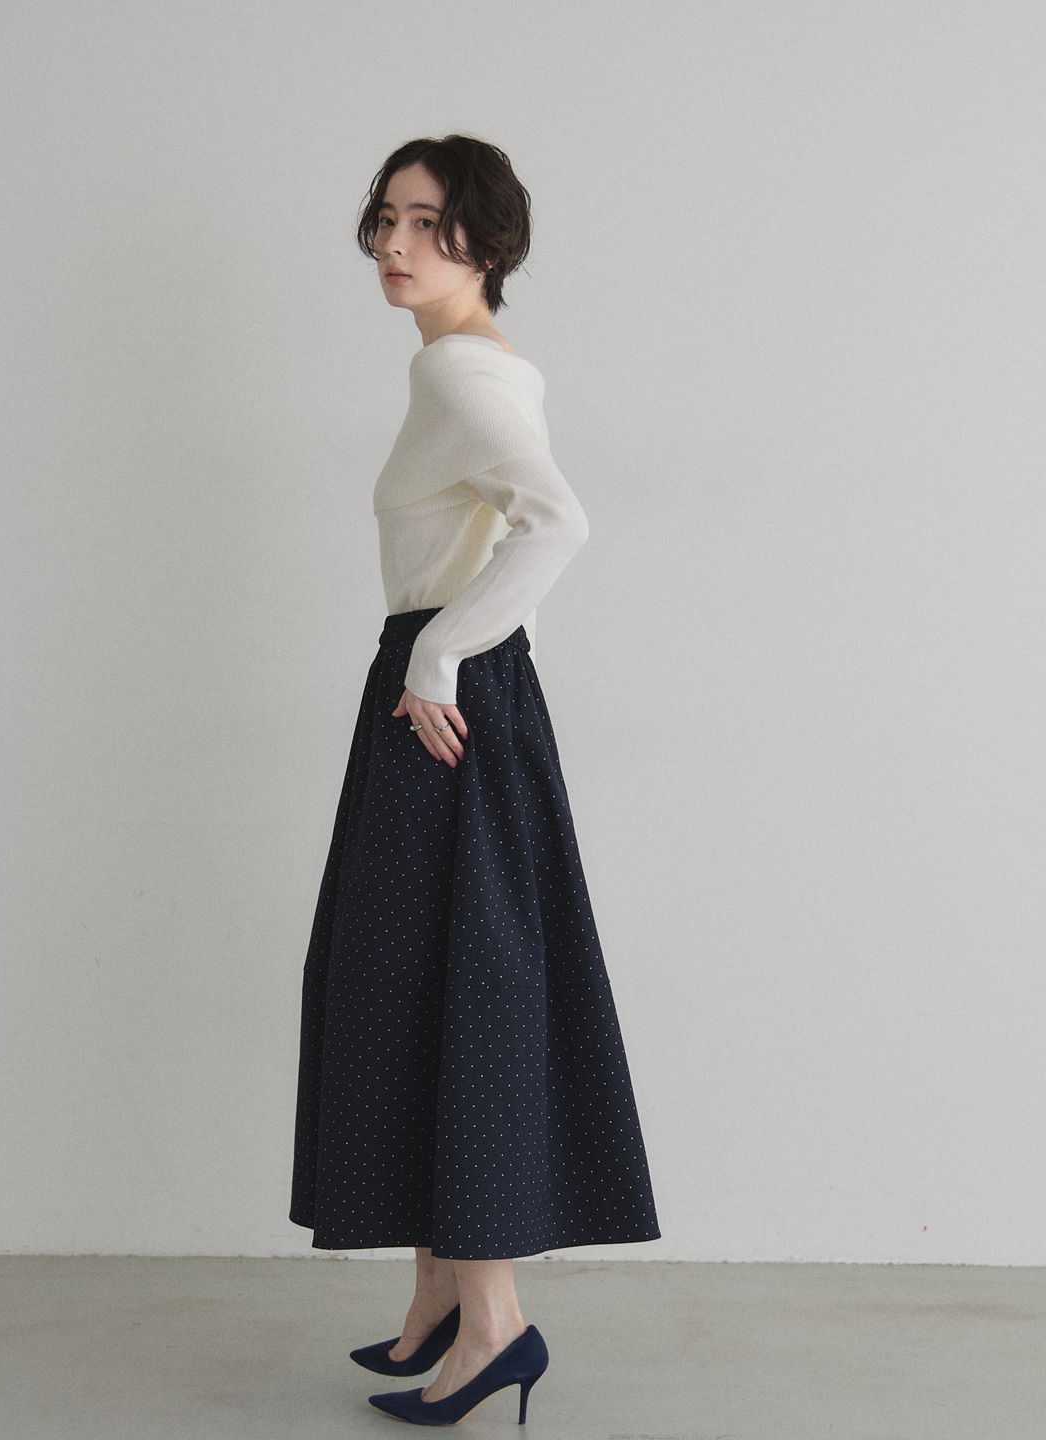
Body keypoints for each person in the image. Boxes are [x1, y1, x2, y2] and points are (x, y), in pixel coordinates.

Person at [289, 133, 661, 1426]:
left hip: (443, 698)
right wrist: (460, 661)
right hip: (454, 696)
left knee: (455, 994)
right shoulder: (470, 366)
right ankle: (439, 1302)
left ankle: (494, 1323)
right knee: (412, 984)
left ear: (487, 242)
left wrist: (445, 655)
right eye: (386, 218)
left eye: (426, 222)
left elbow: (559, 522)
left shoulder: (463, 371)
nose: (394, 244)